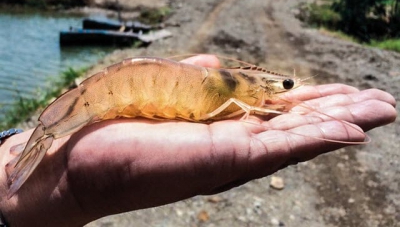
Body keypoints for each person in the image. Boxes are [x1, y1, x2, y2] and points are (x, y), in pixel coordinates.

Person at [0, 54, 396, 227]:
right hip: (120, 88)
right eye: (283, 87)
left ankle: (28, 153)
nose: (281, 91)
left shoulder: (248, 85)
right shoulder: (241, 93)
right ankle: (37, 147)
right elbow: (242, 101)